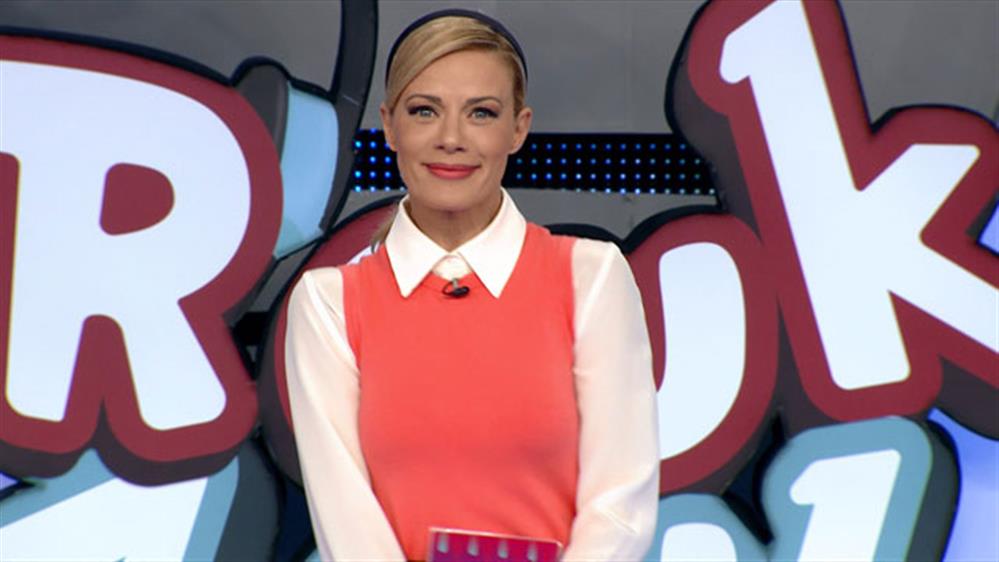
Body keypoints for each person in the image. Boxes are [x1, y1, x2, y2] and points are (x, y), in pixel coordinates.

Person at [285, 9, 659, 561]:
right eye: (424, 111)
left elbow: (620, 506)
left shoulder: (591, 276)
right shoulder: (329, 303)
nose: (451, 139)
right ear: (389, 126)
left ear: (518, 129)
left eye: (481, 113)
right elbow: (347, 524)